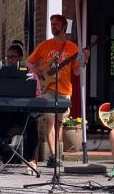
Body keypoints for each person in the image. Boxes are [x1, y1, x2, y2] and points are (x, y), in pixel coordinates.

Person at [27, 14, 90, 168]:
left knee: (59, 124)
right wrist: (39, 73)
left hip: (64, 90)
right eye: (52, 24)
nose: (53, 27)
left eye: (56, 24)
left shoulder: (72, 48)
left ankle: (57, 154)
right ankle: (53, 156)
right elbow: (29, 62)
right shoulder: (45, 45)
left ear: (63, 27)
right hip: (47, 88)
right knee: (49, 121)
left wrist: (85, 60)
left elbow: (76, 72)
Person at [0, 41, 39, 175]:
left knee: (32, 124)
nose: (9, 60)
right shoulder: (3, 73)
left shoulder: (30, 74)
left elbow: (38, 94)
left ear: (20, 58)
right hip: (8, 111)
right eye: (8, 57)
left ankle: (32, 161)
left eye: (12, 57)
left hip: (24, 111)